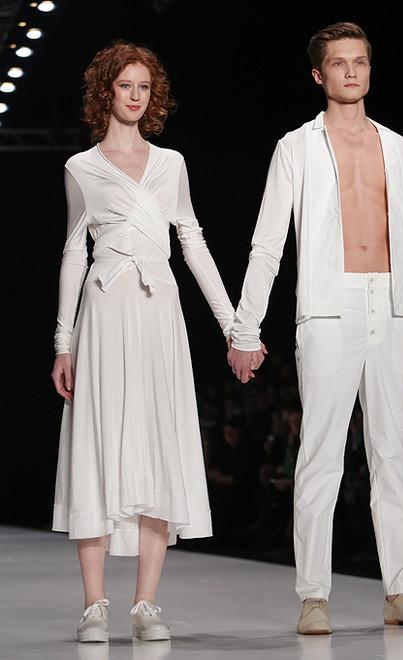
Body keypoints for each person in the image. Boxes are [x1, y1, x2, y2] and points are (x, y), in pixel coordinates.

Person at [227, 22, 403, 633]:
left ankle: (400, 591)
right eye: (339, 62)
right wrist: (246, 329)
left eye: (360, 61)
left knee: (392, 454)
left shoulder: (401, 150)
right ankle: (314, 597)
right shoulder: (295, 147)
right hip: (329, 306)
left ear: (370, 69)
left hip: (392, 305)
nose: (351, 71)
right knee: (320, 454)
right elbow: (268, 242)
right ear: (318, 74)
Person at [50, 41, 261, 643]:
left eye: (145, 87)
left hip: (159, 312)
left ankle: (145, 602)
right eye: (126, 86)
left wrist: (233, 326)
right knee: (97, 441)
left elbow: (192, 242)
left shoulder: (172, 164)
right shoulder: (81, 167)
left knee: (158, 441)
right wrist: (63, 341)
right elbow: (73, 252)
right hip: (104, 310)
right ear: (106, 92)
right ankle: (94, 604)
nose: (136, 96)